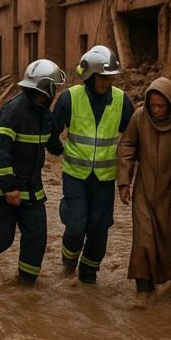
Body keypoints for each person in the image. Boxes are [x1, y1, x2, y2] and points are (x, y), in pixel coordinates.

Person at [0, 59, 65, 284]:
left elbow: (54, 146)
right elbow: (0, 151)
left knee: (37, 237)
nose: (55, 91)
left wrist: (64, 132)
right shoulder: (12, 111)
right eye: (54, 87)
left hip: (32, 188)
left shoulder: (45, 114)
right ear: (46, 88)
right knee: (2, 239)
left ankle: (26, 286)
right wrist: (9, 187)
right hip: (4, 189)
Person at [52, 45, 134, 283]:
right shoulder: (69, 98)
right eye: (103, 77)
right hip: (75, 175)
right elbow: (51, 131)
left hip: (105, 178)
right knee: (76, 225)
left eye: (111, 77)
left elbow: (131, 139)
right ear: (89, 76)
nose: (108, 82)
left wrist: (125, 178)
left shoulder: (121, 101)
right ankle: (69, 264)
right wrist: (59, 151)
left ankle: (88, 276)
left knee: (99, 228)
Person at [118, 77, 171, 300]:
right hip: (145, 191)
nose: (155, 110)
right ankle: (143, 291)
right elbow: (127, 145)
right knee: (143, 241)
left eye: (161, 106)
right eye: (152, 105)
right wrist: (124, 181)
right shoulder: (140, 117)